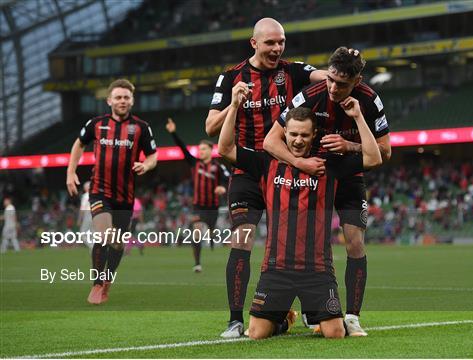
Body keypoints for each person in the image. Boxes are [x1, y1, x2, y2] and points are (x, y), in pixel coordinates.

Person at [218, 81, 382, 339]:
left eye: (304, 135)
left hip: (317, 270)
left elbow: (374, 158)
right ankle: (283, 319)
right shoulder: (266, 162)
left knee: (335, 333)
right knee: (256, 334)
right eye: (293, 134)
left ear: (314, 135)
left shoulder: (330, 164)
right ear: (285, 134)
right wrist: (235, 106)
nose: (297, 140)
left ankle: (314, 314)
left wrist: (359, 117)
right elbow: (225, 149)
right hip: (276, 269)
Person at [205, 17, 328, 338]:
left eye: (281, 42)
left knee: (297, 244)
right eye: (270, 43)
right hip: (248, 169)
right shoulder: (231, 77)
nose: (277, 48)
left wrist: (345, 70)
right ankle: (234, 320)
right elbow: (210, 128)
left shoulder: (292, 71)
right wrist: (234, 103)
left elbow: (327, 77)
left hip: (285, 169)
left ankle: (311, 312)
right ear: (254, 43)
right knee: (241, 240)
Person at [264, 47, 392, 336]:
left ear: (357, 82)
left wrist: (351, 146)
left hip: (349, 177)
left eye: (342, 84)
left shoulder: (370, 101)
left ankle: (353, 316)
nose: (333, 87)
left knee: (354, 243)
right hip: (315, 175)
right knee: (301, 243)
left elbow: (384, 152)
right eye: (331, 79)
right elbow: (271, 142)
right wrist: (300, 163)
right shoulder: (311, 95)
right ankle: (301, 310)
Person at [66, 79, 157, 305]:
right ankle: (96, 284)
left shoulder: (142, 128)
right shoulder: (96, 124)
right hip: (99, 191)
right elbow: (79, 144)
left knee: (117, 244)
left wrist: (146, 165)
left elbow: (154, 155)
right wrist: (71, 172)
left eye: (126, 97)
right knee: (104, 234)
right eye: (118, 97)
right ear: (109, 100)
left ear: (132, 100)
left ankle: (107, 281)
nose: (122, 101)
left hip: (125, 197)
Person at [166, 118, 229, 272]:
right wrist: (173, 132)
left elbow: (227, 180)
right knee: (196, 231)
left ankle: (213, 238)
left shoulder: (218, 167)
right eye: (199, 149)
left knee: (212, 231)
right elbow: (183, 149)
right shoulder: (194, 163)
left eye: (204, 149)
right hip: (198, 206)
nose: (201, 151)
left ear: (210, 150)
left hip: (213, 206)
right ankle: (197, 263)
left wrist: (222, 187)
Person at [78, 181, 93, 251]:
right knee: (93, 234)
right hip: (96, 214)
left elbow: (82, 209)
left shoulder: (86, 195)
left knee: (83, 234)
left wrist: (79, 220)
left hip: (88, 214)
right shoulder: (96, 195)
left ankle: (93, 247)